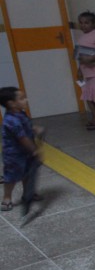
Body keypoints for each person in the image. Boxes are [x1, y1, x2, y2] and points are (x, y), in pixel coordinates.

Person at [1, 87, 44, 216]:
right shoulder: (11, 120)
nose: (26, 100)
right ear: (11, 103)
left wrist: (34, 129)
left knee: (27, 173)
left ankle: (27, 194)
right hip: (14, 154)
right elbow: (22, 138)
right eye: (22, 98)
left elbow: (27, 128)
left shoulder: (20, 113)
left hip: (26, 153)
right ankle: (7, 197)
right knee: (11, 177)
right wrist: (35, 150)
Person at [74, 11, 95, 129]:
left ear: (93, 23)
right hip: (86, 72)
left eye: (87, 23)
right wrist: (79, 69)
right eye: (81, 23)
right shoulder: (81, 37)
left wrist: (92, 58)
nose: (83, 25)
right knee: (89, 96)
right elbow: (79, 55)